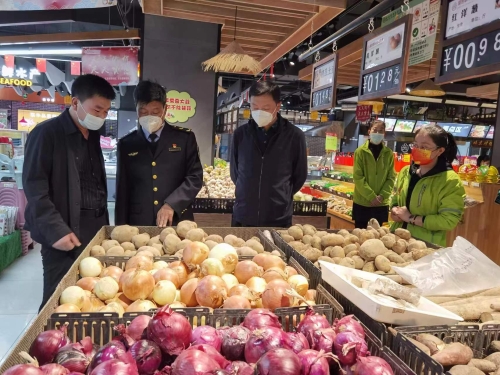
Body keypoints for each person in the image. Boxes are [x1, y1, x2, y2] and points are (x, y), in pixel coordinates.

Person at [23, 74, 115, 310]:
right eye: (97, 109)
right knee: (58, 300)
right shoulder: (46, 134)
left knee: (89, 297)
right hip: (62, 231)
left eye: (106, 111)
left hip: (94, 230)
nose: (102, 116)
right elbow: (35, 190)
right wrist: (56, 231)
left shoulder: (93, 135)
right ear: (75, 103)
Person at [115, 80, 203, 227]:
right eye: (143, 111)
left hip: (176, 220)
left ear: (165, 110)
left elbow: (195, 178)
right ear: (136, 109)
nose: (149, 116)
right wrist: (119, 227)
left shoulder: (184, 139)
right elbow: (122, 191)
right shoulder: (127, 144)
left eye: (155, 112)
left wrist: (172, 204)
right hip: (139, 224)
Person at [230, 81, 307, 227]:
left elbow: (299, 176)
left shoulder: (294, 136)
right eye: (254, 107)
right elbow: (235, 173)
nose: (259, 111)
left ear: (278, 106)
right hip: (243, 216)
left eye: (266, 108)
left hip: (278, 218)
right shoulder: (240, 135)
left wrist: (280, 195)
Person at [391, 124, 465, 246]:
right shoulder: (405, 172)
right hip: (396, 240)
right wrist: (394, 210)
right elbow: (395, 197)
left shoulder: (450, 181)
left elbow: (448, 220)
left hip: (426, 246)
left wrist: (410, 218)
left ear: (440, 151)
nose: (417, 149)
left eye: (424, 147)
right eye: (415, 145)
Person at [352, 120, 396, 229]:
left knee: (380, 235)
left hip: (381, 204)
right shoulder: (360, 152)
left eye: (380, 131)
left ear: (384, 134)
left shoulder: (389, 154)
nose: (377, 133)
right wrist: (371, 196)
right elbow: (358, 177)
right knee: (360, 235)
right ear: (369, 131)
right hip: (362, 203)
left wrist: (382, 196)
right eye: (375, 130)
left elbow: (391, 177)